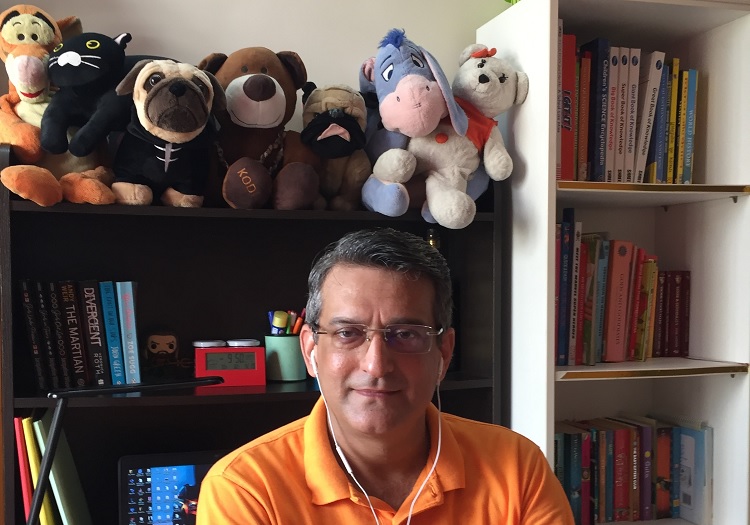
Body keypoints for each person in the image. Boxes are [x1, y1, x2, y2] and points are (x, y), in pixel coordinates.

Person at [196, 227, 574, 524]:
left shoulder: (516, 467)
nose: (376, 365)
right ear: (310, 351)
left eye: (405, 334)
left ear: (443, 353)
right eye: (348, 333)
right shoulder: (245, 489)